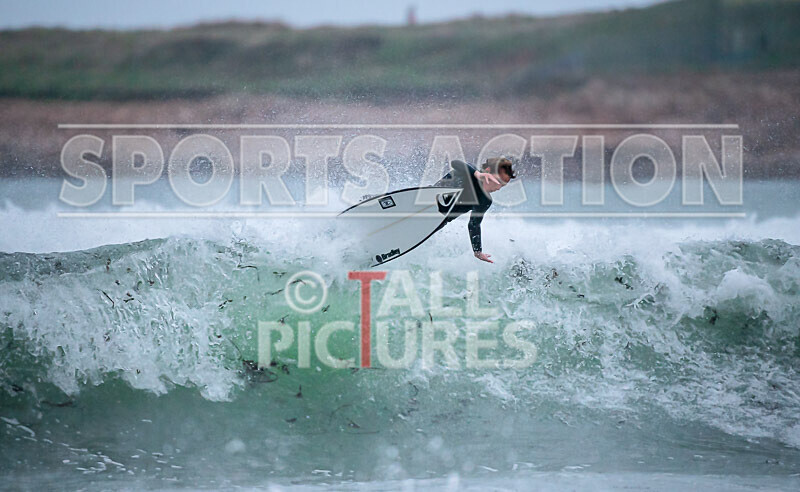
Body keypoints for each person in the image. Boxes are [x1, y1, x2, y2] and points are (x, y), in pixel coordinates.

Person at [433, 157, 515, 263]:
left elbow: (474, 224)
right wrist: (478, 174)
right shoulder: (469, 171)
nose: (498, 187)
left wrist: (477, 251)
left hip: (437, 222)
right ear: (488, 171)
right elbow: (455, 163)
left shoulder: (484, 200)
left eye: (503, 185)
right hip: (429, 200)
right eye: (498, 181)